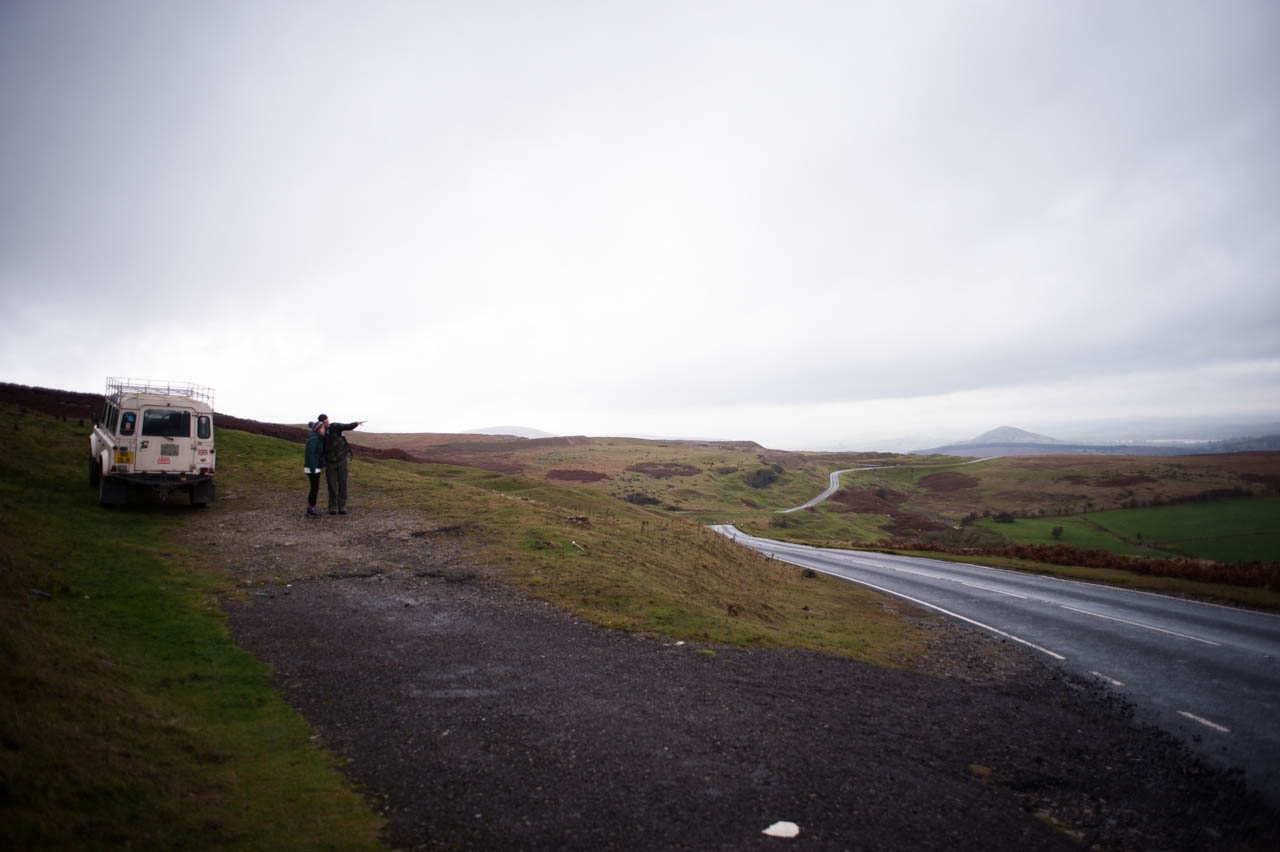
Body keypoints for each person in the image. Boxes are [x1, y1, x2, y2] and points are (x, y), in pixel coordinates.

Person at [317, 413, 366, 515]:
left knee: (343, 483)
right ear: (320, 423)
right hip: (330, 462)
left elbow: (347, 426)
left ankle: (342, 506)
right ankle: (332, 507)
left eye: (327, 421)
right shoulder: (320, 432)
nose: (327, 424)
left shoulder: (335, 426)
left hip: (341, 459)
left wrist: (356, 423)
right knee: (332, 484)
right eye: (324, 423)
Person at [303, 420, 326, 519]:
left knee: (314, 488)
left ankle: (311, 507)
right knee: (314, 488)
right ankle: (311, 509)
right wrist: (313, 468)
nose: (324, 429)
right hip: (313, 468)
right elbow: (310, 454)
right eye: (322, 428)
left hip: (314, 467)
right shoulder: (314, 439)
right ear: (318, 429)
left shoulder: (316, 438)